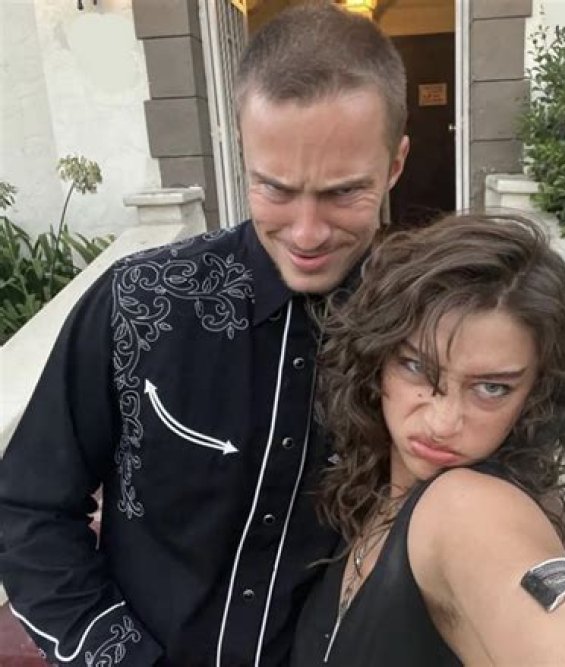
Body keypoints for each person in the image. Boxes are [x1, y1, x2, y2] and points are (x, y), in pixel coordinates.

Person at [0, 4, 409, 666]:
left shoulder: (427, 328)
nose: (307, 233)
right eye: (275, 189)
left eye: (342, 193)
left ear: (395, 165)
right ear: (242, 156)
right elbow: (27, 508)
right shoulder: (136, 301)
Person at [291, 213, 565, 666]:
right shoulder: (369, 487)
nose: (442, 422)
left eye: (491, 388)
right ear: (375, 358)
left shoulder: (467, 507)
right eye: (416, 367)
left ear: (535, 395)